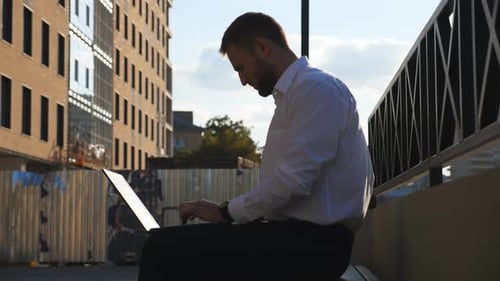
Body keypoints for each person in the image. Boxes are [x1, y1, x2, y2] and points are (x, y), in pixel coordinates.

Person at [138, 12, 374, 281]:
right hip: (299, 239)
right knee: (168, 243)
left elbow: (293, 183)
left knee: (162, 249)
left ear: (262, 48)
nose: (241, 79)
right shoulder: (299, 94)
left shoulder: (316, 89)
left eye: (240, 68)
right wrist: (228, 214)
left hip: (315, 246)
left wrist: (226, 212)